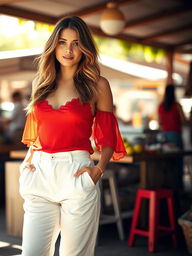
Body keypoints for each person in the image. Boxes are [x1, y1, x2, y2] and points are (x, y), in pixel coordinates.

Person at [19, 16, 126, 256]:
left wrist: (98, 171)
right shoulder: (41, 82)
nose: (69, 49)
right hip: (40, 173)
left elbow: (108, 138)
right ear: (53, 45)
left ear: (85, 47)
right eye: (62, 42)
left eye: (76, 43)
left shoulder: (98, 85)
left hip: (76, 174)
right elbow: (36, 133)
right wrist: (26, 164)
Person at [158, 84, 186, 189]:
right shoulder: (177, 105)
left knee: (167, 162)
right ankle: (178, 187)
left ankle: (168, 185)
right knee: (178, 161)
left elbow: (160, 122)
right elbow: (184, 121)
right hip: (175, 135)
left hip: (164, 136)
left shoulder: (161, 106)